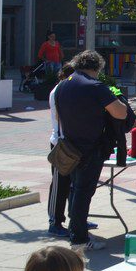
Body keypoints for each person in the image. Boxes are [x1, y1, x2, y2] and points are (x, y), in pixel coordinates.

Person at [54, 50, 129, 251]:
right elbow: (120, 113)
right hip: (90, 148)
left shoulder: (63, 85)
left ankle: (75, 230)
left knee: (75, 190)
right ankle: (78, 238)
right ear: (97, 68)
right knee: (83, 192)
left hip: (69, 146)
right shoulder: (95, 86)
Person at [45, 64, 77, 237]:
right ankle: (54, 221)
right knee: (59, 185)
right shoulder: (59, 91)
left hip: (71, 143)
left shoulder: (69, 90)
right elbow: (60, 116)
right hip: (60, 143)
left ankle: (77, 217)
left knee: (74, 184)